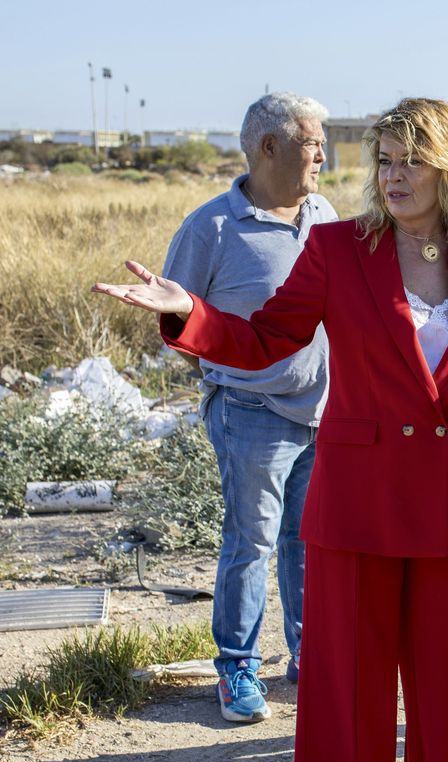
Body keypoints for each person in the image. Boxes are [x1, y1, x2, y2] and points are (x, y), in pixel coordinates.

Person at [93, 98, 448, 762]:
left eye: (410, 159)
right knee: (349, 685)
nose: (394, 175)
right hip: (357, 501)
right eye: (383, 160)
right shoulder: (339, 249)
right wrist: (191, 315)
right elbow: (268, 337)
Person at [163, 91, 337, 723]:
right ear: (270, 147)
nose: (323, 153)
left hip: (322, 415)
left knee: (307, 541)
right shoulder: (210, 227)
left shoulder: (324, 213)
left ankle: (309, 658)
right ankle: (237, 668)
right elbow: (179, 321)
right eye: (312, 141)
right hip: (250, 415)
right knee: (251, 542)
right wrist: (230, 377)